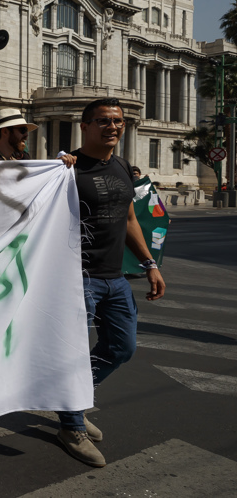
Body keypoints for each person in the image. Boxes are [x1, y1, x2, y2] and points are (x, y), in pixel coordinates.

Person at [54, 98, 166, 468]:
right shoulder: (65, 169)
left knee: (121, 347)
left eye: (117, 121)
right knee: (71, 353)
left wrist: (150, 262)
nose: (112, 126)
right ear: (84, 126)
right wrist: (56, 167)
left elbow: (130, 217)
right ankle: (71, 425)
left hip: (115, 278)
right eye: (102, 121)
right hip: (77, 279)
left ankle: (74, 399)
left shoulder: (120, 166)